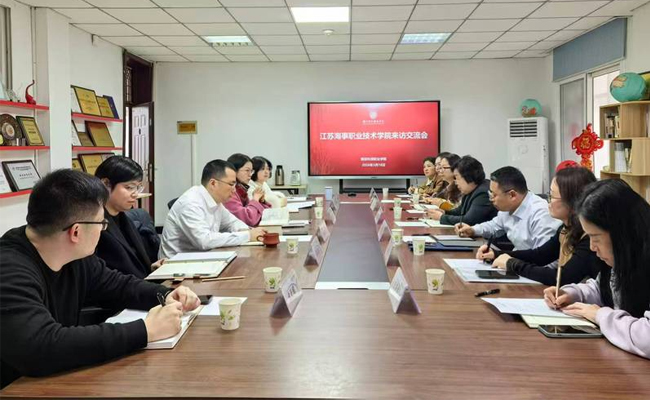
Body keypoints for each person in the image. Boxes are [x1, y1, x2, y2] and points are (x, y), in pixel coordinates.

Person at [0, 169, 200, 388]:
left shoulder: (73, 255)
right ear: (76, 232)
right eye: (101, 223)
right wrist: (146, 330)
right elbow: (40, 346)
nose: (104, 230)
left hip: (55, 380)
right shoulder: (9, 269)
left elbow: (117, 285)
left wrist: (165, 294)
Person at [544, 179, 650, 359]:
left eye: (596, 238)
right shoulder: (625, 257)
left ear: (621, 233)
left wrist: (601, 316)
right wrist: (572, 293)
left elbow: (646, 339)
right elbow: (604, 287)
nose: (592, 247)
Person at [478, 167, 603, 285]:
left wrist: (513, 264)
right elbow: (540, 255)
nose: (548, 202)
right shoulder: (566, 229)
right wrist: (497, 254)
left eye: (552, 196)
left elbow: (563, 277)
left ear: (573, 201)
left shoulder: (589, 238)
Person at [160, 160, 266, 258]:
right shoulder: (190, 203)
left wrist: (251, 232)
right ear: (213, 183)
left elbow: (232, 223)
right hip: (177, 264)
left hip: (202, 257)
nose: (234, 190)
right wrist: (247, 236)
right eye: (231, 184)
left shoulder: (216, 201)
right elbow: (204, 241)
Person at [457, 166, 561, 251]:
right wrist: (473, 230)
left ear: (512, 195)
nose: (491, 199)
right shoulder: (507, 208)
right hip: (518, 262)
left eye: (494, 195)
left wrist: (510, 261)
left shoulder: (541, 214)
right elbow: (494, 225)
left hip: (531, 266)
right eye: (490, 194)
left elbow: (545, 259)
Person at [94, 156, 165, 279]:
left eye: (137, 187)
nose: (135, 194)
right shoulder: (95, 225)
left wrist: (151, 269)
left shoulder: (124, 219)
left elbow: (132, 264)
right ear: (105, 184)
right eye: (129, 187)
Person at [427, 156, 496, 226]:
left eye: (457, 177)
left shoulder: (483, 193)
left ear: (468, 176)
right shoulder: (471, 189)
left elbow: (469, 220)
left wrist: (441, 217)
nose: (456, 182)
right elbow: (460, 211)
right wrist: (444, 212)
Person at [224, 153, 271, 226]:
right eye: (247, 170)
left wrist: (261, 201)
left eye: (251, 171)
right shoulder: (228, 191)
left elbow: (264, 214)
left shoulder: (241, 189)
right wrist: (255, 200)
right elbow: (249, 219)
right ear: (234, 170)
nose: (250, 175)